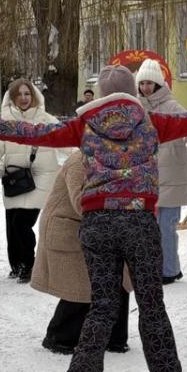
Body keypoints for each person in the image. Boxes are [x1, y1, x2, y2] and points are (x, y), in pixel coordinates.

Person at [0, 64, 187, 372]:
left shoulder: (84, 125)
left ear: (103, 95)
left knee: (102, 307)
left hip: (98, 223)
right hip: (139, 221)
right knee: (152, 306)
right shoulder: (154, 122)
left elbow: (35, 131)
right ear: (133, 93)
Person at [34, 151, 130, 355]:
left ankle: (114, 337)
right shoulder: (79, 162)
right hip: (69, 229)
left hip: (105, 225)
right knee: (80, 285)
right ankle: (60, 337)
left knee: (120, 277)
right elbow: (82, 202)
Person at [0, 77, 61, 282]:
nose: (23, 98)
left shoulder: (47, 120)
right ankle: (17, 264)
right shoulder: (5, 123)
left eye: (27, 93)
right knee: (12, 224)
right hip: (14, 178)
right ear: (11, 97)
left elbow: (68, 141)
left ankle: (29, 265)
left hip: (41, 178)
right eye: (18, 94)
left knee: (22, 222)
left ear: (34, 95)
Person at [135, 58, 187, 284]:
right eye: (142, 83)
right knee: (150, 230)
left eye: (149, 83)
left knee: (166, 227)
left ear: (158, 84)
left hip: (172, 176)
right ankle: (158, 267)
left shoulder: (172, 106)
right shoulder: (137, 108)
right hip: (148, 178)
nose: (145, 87)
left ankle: (169, 270)